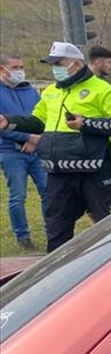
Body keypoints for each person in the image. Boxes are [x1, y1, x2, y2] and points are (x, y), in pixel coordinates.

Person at [0, 41, 111, 252]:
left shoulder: (104, 90)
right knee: (57, 229)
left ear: (76, 64)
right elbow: (38, 121)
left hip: (95, 171)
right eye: (52, 63)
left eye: (59, 63)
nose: (55, 68)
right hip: (59, 170)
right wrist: (9, 120)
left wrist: (86, 124)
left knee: (106, 227)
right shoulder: (51, 91)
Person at [0, 53, 48, 250]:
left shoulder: (31, 91)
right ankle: (23, 236)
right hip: (10, 152)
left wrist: (36, 141)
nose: (20, 71)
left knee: (48, 191)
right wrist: (27, 138)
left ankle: (52, 230)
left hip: (37, 151)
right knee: (18, 195)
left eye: (21, 67)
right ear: (3, 69)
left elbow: (41, 118)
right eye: (15, 67)